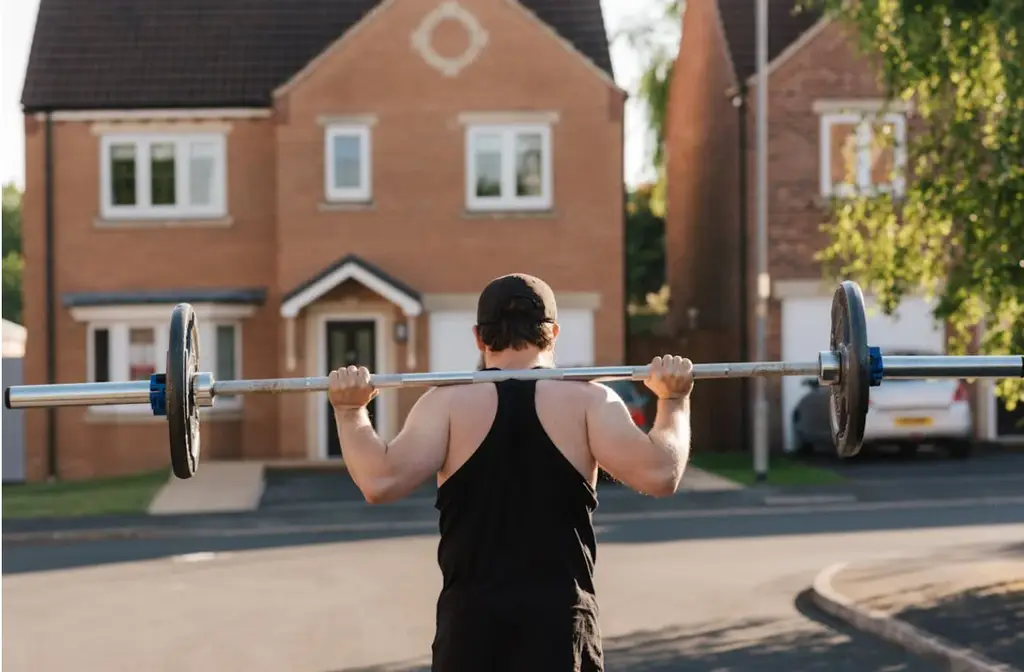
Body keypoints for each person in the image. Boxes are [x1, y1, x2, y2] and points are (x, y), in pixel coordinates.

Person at [328, 273, 694, 672]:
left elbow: (379, 481)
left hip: (471, 629)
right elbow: (662, 474)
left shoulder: (446, 403)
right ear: (552, 333)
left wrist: (350, 411)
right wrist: (673, 400)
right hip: (559, 627)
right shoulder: (589, 401)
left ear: (478, 337)